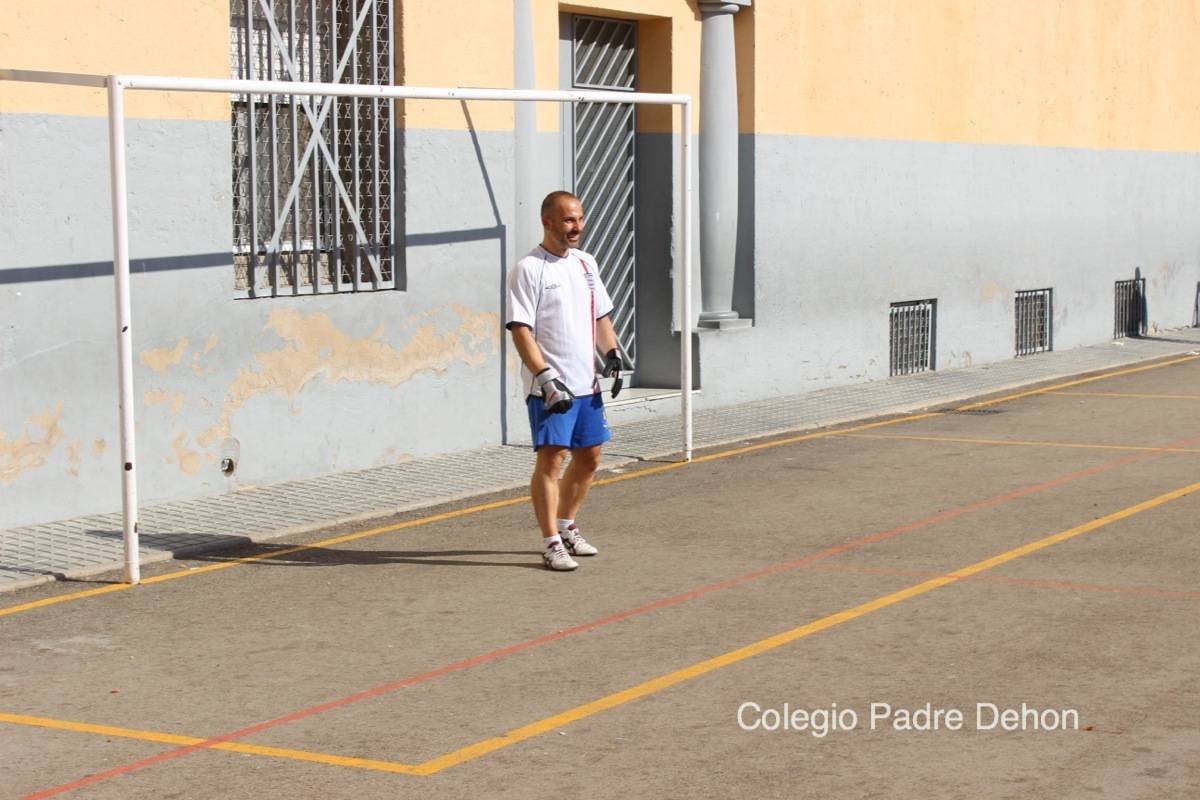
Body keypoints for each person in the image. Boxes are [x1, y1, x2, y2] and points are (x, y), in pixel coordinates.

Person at [506, 191, 624, 571]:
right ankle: (550, 542)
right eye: (569, 220)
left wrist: (612, 354)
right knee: (552, 460)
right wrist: (544, 377)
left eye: (580, 219)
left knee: (589, 458)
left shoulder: (586, 264)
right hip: (551, 388)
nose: (577, 227)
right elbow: (520, 329)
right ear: (548, 222)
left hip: (586, 385)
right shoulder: (528, 268)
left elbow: (600, 317)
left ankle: (566, 523)